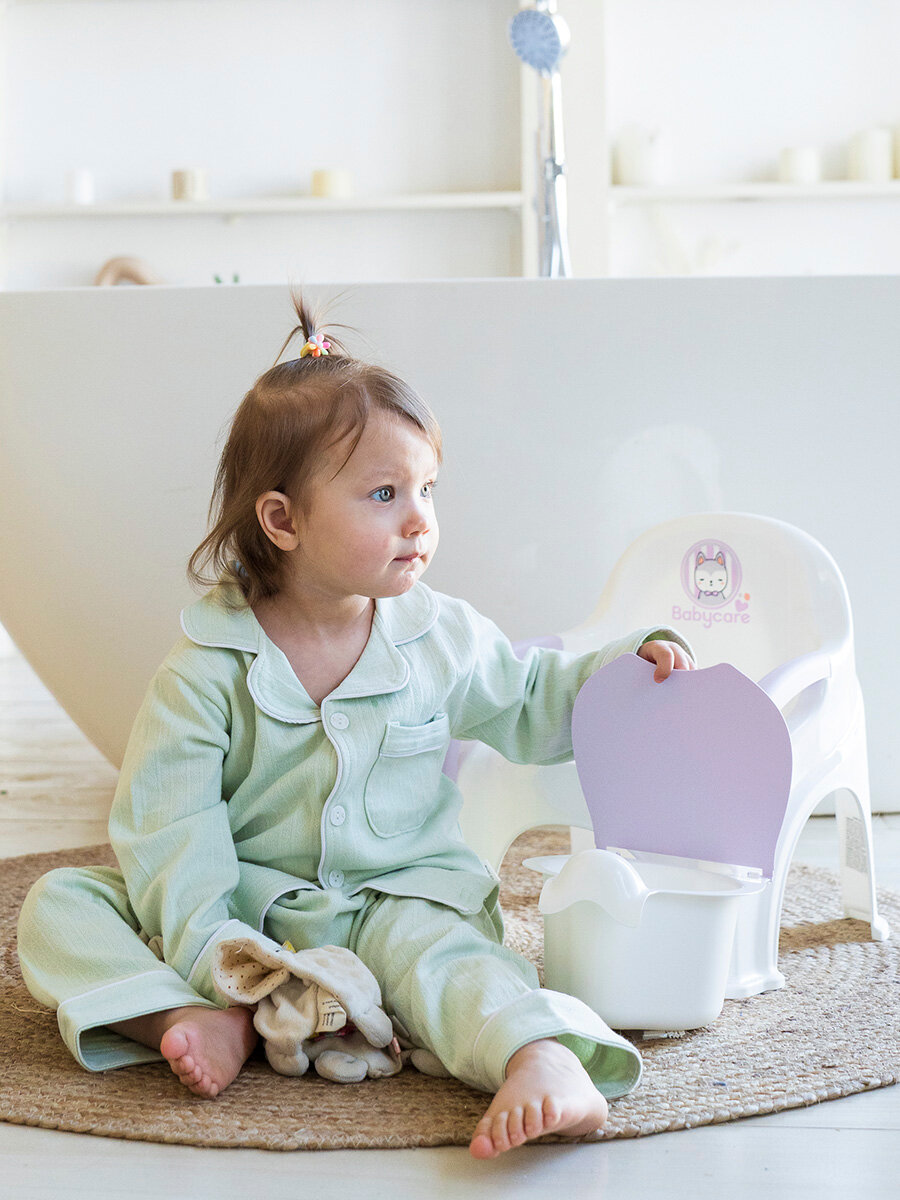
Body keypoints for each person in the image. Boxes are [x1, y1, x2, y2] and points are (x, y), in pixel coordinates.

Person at [17, 294, 694, 1159]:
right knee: (61, 906)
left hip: (397, 903)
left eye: (426, 489)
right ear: (283, 521)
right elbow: (169, 833)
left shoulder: (438, 634)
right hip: (251, 914)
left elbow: (529, 698)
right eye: (384, 494)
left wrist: (627, 667)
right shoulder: (205, 670)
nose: (420, 519)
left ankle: (540, 1055)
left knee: (458, 964)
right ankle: (200, 1015)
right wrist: (217, 957)